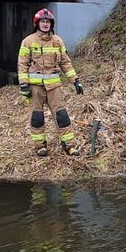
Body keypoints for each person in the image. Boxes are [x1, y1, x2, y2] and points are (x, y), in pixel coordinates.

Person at [18, 9, 84, 157]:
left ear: (51, 24)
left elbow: (66, 63)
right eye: (43, 21)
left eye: (48, 22)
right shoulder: (28, 42)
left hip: (54, 87)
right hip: (35, 87)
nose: (46, 24)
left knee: (62, 115)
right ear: (37, 24)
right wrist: (23, 84)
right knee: (37, 117)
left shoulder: (57, 41)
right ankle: (40, 147)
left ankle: (69, 146)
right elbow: (22, 64)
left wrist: (76, 81)